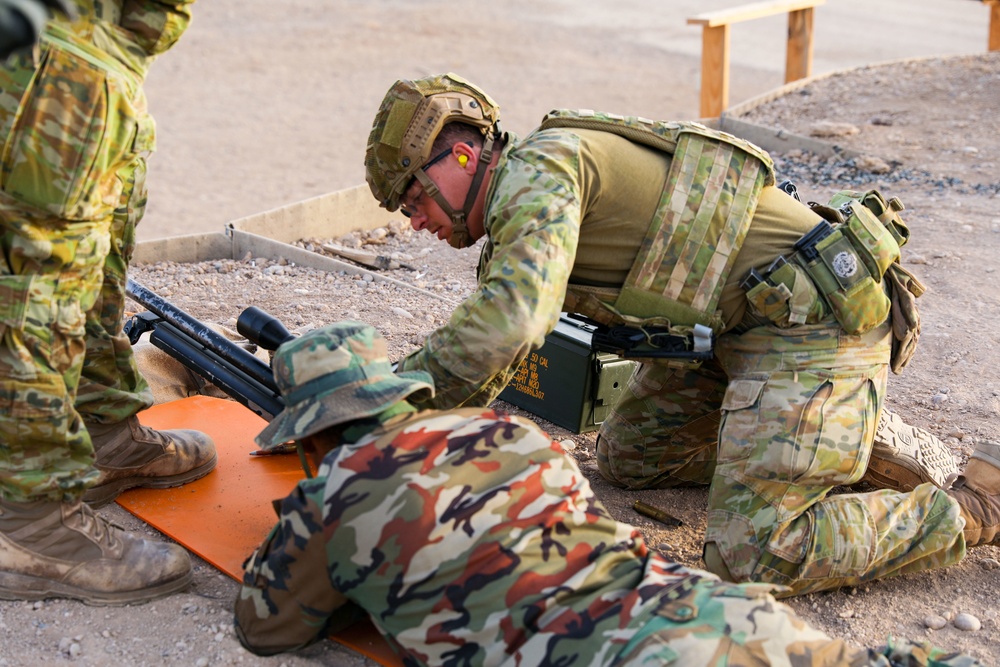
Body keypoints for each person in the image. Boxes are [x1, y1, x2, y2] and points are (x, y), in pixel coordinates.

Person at [360, 73, 1000, 597]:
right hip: (734, 332)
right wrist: (411, 417)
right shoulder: (524, 200)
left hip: (816, 327)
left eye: (412, 194)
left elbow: (511, 321)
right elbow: (504, 344)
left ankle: (973, 508)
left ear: (464, 153)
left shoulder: (537, 172)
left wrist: (385, 409)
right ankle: (818, 451)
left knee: (756, 556)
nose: (414, 220)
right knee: (632, 459)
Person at [233, 321, 982, 666]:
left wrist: (307, 515)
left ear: (314, 434)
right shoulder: (510, 433)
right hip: (707, 608)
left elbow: (267, 627)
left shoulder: (334, 493)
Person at [0, 0, 216, 605]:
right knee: (40, 291)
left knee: (98, 259)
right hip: (55, 53)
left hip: (101, 49)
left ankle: (101, 433)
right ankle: (33, 523)